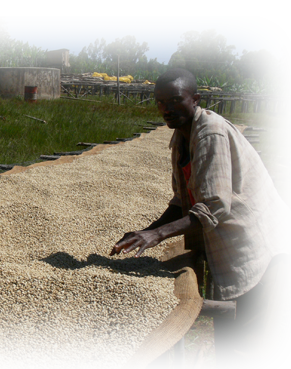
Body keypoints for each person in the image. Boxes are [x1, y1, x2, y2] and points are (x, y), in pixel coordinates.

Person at [110, 68, 291, 368]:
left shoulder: (210, 132)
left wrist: (157, 236)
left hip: (258, 247)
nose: (166, 109)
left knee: (248, 351)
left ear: (195, 99)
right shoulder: (181, 138)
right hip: (227, 249)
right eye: (159, 102)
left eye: (175, 100)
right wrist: (144, 231)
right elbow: (184, 201)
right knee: (229, 341)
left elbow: (214, 206)